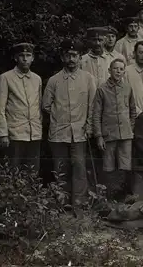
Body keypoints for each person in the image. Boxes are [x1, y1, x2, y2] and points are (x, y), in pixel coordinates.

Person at [42, 39, 96, 207]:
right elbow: (45, 105)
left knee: (79, 166)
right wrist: (60, 116)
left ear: (80, 58)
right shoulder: (54, 80)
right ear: (62, 57)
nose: (71, 59)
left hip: (80, 132)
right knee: (61, 167)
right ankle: (62, 201)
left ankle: (79, 202)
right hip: (59, 132)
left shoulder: (88, 79)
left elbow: (92, 105)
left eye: (75, 55)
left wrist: (88, 125)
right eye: (68, 55)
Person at [0, 42, 42, 172]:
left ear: (33, 58)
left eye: (28, 55)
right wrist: (3, 134)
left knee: (33, 171)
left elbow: (39, 105)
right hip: (15, 134)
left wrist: (38, 127)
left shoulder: (37, 79)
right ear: (15, 58)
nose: (25, 59)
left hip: (34, 134)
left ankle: (33, 193)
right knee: (14, 171)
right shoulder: (5, 78)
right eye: (21, 55)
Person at [93, 57, 137, 201]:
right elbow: (96, 114)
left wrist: (129, 127)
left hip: (125, 135)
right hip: (108, 135)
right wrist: (99, 136)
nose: (118, 71)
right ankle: (108, 198)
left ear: (124, 71)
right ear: (109, 71)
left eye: (121, 69)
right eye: (115, 68)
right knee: (108, 166)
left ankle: (124, 197)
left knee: (125, 166)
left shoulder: (128, 88)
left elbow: (132, 111)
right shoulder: (102, 89)